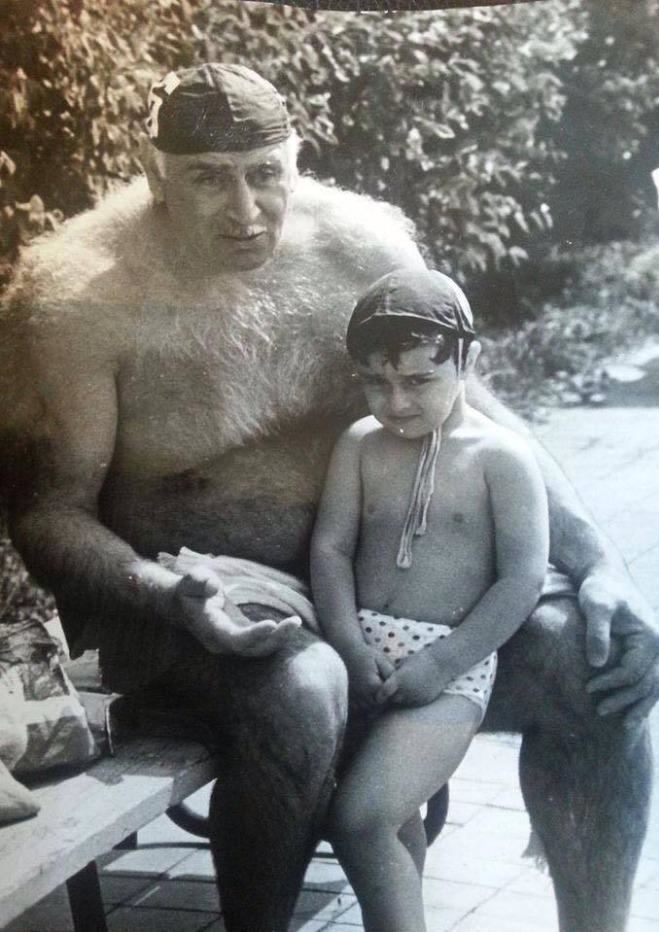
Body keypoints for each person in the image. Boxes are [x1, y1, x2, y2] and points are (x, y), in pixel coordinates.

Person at [0, 62, 656, 932]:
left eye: (264, 172)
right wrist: (173, 597)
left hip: (387, 590)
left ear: (295, 160)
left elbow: (478, 414)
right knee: (303, 690)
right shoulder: (78, 297)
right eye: (207, 179)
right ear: (154, 174)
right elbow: (48, 514)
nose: (245, 211)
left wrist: (601, 563)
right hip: (177, 611)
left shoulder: (359, 246)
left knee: (594, 655)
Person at [311, 268, 549, 932]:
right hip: (361, 652)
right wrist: (348, 647)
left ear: (467, 360)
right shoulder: (360, 445)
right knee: (392, 816)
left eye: (418, 380)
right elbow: (330, 550)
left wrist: (441, 665)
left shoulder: (501, 458)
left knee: (359, 819)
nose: (396, 403)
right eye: (375, 382)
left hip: (448, 670)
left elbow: (520, 580)